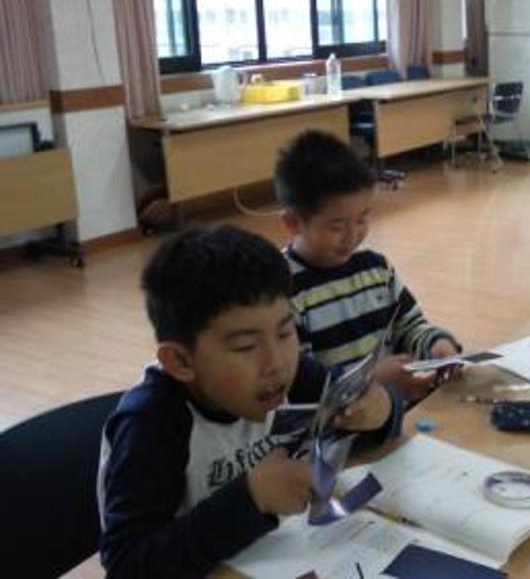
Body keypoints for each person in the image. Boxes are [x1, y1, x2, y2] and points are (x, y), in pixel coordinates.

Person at [98, 225, 402, 578]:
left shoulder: (289, 375)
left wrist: (382, 409)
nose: (277, 362)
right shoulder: (151, 424)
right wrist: (252, 498)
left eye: (286, 331)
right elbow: (127, 565)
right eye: (245, 346)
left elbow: (356, 417)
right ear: (181, 361)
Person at [274, 130, 461, 403]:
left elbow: (409, 326)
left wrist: (437, 344)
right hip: (335, 419)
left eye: (362, 219)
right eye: (337, 226)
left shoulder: (375, 266)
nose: (353, 236)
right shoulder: (280, 290)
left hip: (388, 407)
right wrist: (367, 379)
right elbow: (298, 380)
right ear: (293, 223)